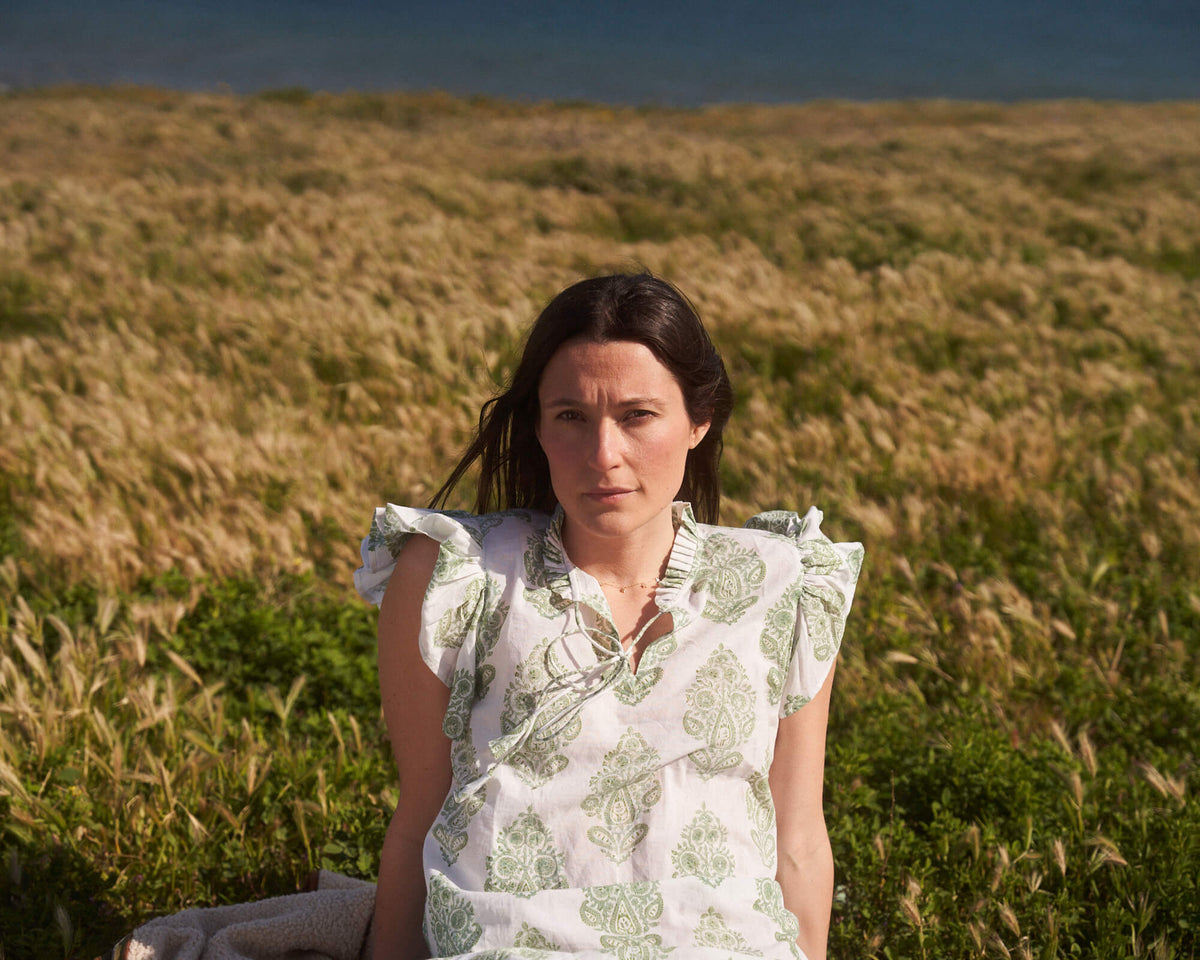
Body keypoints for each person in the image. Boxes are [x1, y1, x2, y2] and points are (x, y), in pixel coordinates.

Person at [354, 273, 863, 960]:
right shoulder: (454, 575)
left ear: (698, 420)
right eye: (570, 416)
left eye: (637, 415)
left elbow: (798, 839)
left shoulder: (784, 583)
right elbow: (420, 820)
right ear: (537, 425)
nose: (603, 456)